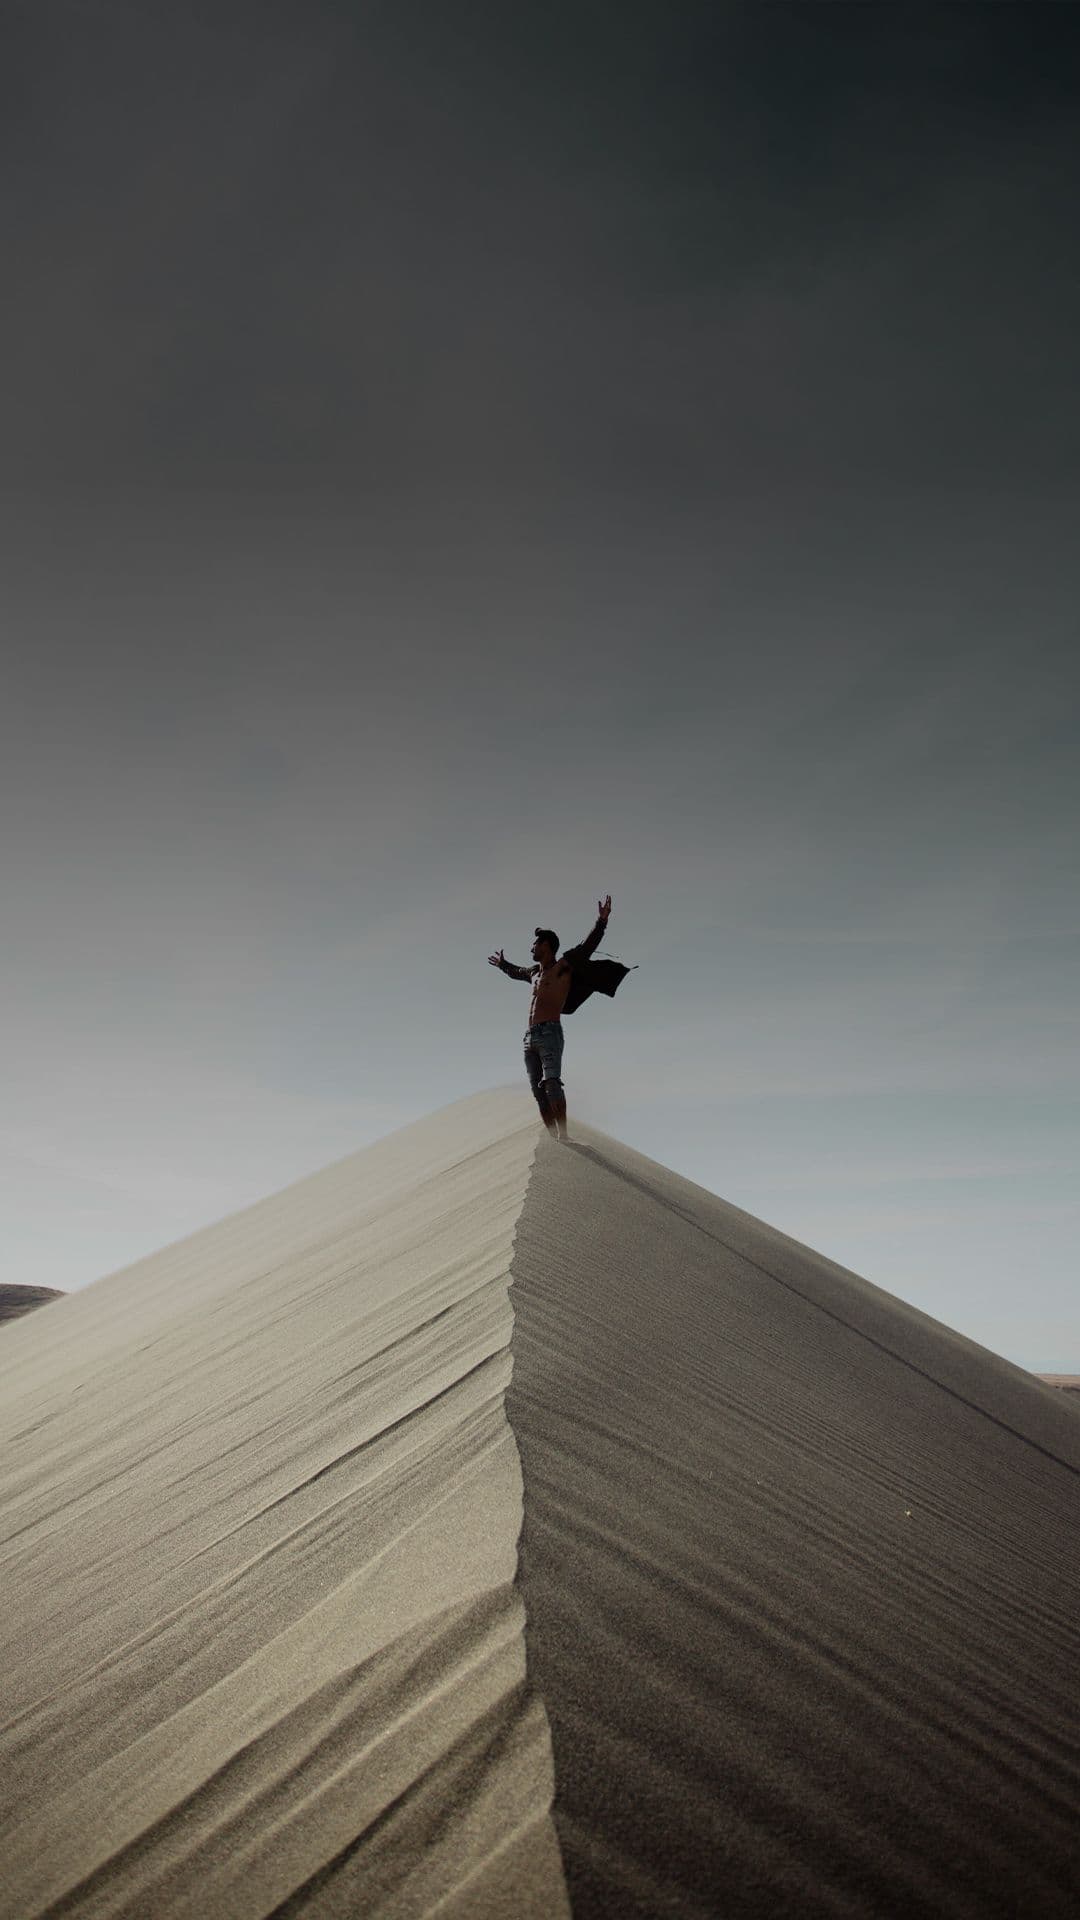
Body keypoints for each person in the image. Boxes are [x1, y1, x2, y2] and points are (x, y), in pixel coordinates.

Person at [488, 894, 632, 1141]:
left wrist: (601, 922)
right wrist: (503, 964)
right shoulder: (533, 973)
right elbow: (516, 972)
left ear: (546, 945)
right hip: (529, 1037)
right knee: (537, 1091)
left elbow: (587, 947)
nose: (531, 948)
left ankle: (563, 1136)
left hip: (550, 1033)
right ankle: (553, 1138)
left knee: (551, 1083)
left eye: (535, 944)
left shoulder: (564, 966)